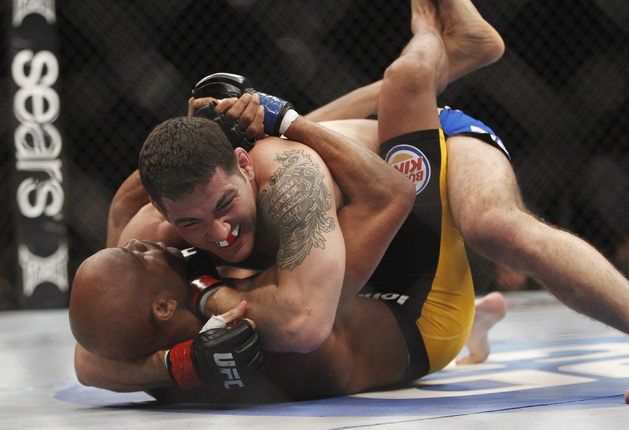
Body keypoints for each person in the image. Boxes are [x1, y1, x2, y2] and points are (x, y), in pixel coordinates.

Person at [71, 0, 504, 400]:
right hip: (424, 318)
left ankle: (456, 55)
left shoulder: (141, 332)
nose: (139, 246)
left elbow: (88, 359)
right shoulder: (249, 337)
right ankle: (436, 47)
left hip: (358, 291)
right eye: (137, 258)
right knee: (395, 89)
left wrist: (200, 138)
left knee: (267, 163)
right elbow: (389, 196)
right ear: (164, 308)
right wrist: (287, 121)